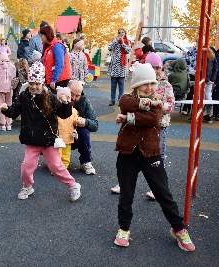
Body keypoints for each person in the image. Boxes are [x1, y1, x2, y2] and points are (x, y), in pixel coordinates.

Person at [113, 62, 195, 252]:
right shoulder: (129, 98)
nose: (149, 88)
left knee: (163, 192)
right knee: (126, 193)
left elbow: (153, 119)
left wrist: (128, 118)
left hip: (151, 152)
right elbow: (125, 103)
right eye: (144, 84)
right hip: (127, 153)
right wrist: (145, 104)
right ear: (136, 86)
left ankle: (179, 229)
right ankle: (124, 228)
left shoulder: (159, 100)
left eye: (152, 83)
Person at [0, 63, 82, 202]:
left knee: (56, 167)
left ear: (42, 82)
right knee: (26, 166)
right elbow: (14, 111)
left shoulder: (50, 97)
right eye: (32, 83)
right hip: (32, 140)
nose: (34, 86)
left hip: (48, 139)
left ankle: (73, 185)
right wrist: (6, 109)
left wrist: (66, 104)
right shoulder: (24, 96)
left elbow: (63, 114)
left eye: (37, 83)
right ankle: (27, 186)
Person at [111, 54, 176, 199]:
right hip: (138, 127)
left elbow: (166, 108)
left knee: (156, 156)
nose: (155, 70)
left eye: (157, 67)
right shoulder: (137, 85)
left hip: (159, 124)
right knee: (130, 158)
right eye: (151, 67)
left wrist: (161, 107)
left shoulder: (165, 85)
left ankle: (156, 187)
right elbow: (126, 102)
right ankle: (123, 184)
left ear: (160, 68)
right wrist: (149, 105)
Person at [69, 80, 99, 174]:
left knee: (84, 132)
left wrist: (85, 122)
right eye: (71, 94)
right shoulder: (58, 99)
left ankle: (86, 161)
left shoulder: (84, 102)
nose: (73, 98)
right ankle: (55, 161)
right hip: (59, 136)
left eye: (77, 95)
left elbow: (95, 124)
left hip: (75, 136)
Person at [56, 86, 85, 168]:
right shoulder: (55, 109)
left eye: (68, 98)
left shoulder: (73, 110)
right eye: (61, 98)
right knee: (57, 155)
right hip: (57, 137)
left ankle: (64, 168)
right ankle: (56, 168)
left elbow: (75, 118)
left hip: (68, 137)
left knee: (66, 155)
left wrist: (79, 120)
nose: (65, 101)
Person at [40, 26, 72, 91]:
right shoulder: (48, 46)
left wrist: (54, 80)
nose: (41, 37)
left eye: (42, 35)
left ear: (46, 35)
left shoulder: (57, 46)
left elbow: (59, 64)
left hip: (60, 79)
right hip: (54, 79)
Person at [107, 28, 131, 106]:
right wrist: (115, 41)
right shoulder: (115, 40)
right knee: (113, 84)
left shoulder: (127, 41)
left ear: (125, 33)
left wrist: (123, 43)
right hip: (114, 65)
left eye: (123, 32)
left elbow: (128, 50)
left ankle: (121, 100)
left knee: (121, 83)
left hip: (122, 65)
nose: (121, 33)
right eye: (120, 32)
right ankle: (112, 99)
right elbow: (110, 48)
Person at [0, 53, 16, 131]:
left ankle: (2, 124)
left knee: (0, 105)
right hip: (10, 87)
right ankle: (9, 124)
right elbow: (13, 77)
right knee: (9, 104)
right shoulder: (12, 66)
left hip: (0, 87)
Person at [202, 47, 218, 123]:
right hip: (209, 79)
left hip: (205, 80)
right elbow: (215, 68)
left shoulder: (203, 57)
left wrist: (209, 80)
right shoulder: (212, 57)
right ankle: (209, 114)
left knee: (201, 96)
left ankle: (204, 114)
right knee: (208, 96)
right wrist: (212, 79)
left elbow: (201, 70)